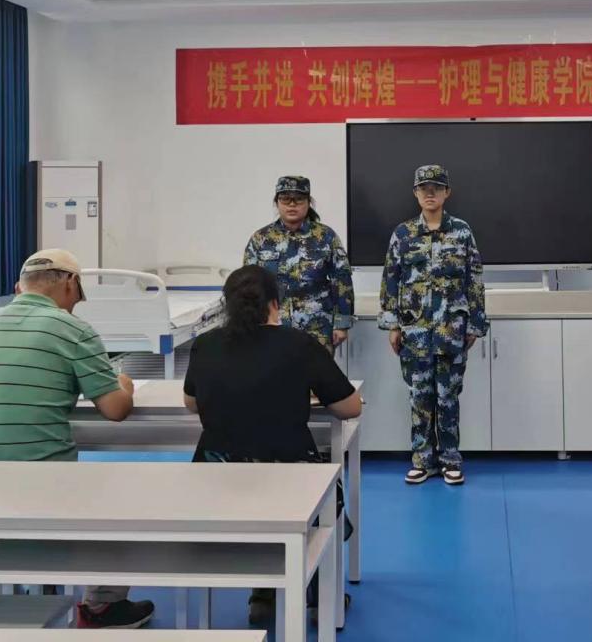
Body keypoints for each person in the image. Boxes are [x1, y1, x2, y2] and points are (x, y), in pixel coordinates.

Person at [0, 249, 154, 630]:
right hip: (38, 491)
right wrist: (124, 383)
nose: (75, 305)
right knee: (128, 497)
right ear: (70, 283)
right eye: (78, 297)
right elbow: (115, 409)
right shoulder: (72, 330)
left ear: (19, 287)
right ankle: (102, 607)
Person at [184, 263, 361, 626]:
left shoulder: (205, 344)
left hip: (216, 483)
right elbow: (349, 407)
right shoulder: (299, 344)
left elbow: (191, 402)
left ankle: (263, 593)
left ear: (226, 305)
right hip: (289, 480)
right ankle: (318, 598)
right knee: (327, 493)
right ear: (274, 304)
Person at [379, 164, 487, 486]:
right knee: (419, 398)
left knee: (448, 398)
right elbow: (391, 280)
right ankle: (422, 460)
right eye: (424, 188)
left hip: (452, 331)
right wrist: (392, 325)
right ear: (415, 193)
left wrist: (475, 325)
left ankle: (451, 460)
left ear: (446, 193)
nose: (430, 193)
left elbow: (474, 280)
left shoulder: (462, 232)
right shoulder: (402, 234)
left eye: (436, 188)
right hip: (414, 332)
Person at [243, 176, 355, 353]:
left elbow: (342, 279)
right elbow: (248, 285)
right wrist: (249, 323)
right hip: (272, 326)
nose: (292, 205)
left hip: (317, 328)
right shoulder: (261, 239)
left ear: (309, 203)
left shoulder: (326, 236)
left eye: (299, 199)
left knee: (316, 371)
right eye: (285, 199)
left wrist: (342, 323)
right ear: (277, 203)